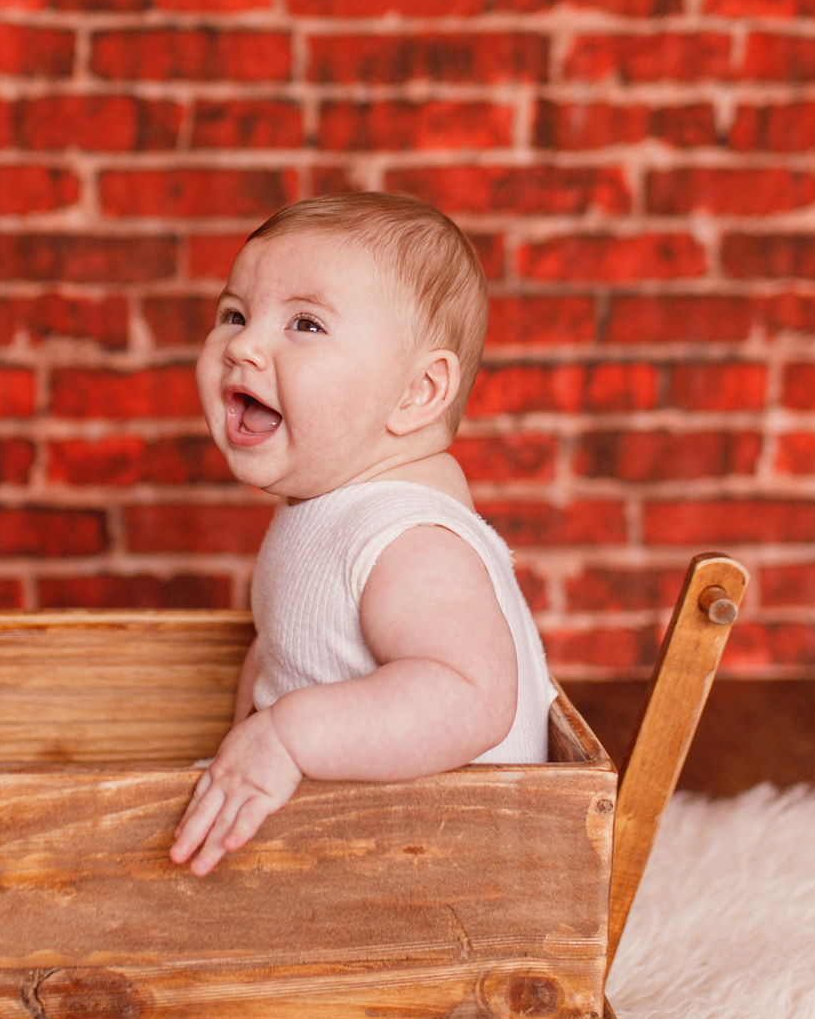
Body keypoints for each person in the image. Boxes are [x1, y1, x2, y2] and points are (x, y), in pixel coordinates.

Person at [169, 191, 556, 877]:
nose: (244, 347)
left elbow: (468, 696)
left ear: (417, 394)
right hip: (359, 841)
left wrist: (286, 736)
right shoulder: (330, 503)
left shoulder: (410, 541)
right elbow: (286, 647)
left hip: (450, 862)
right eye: (234, 314)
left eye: (306, 325)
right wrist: (246, 736)